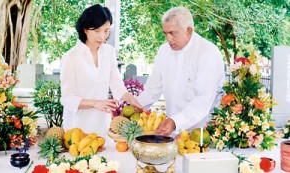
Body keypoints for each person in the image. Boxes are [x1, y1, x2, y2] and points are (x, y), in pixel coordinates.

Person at [137, 7, 225, 136]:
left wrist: (175, 122)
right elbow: (152, 89)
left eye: (173, 33)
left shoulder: (208, 53)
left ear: (188, 31)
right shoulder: (164, 51)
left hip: (203, 133)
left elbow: (203, 99)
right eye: (165, 33)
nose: (168, 38)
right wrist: (133, 106)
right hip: (171, 132)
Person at [60, 4, 142, 134]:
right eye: (97, 31)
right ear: (85, 29)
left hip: (102, 123)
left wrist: (132, 100)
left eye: (106, 31)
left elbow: (116, 84)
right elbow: (67, 98)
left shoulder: (109, 52)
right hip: (77, 126)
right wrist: (95, 103)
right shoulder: (71, 57)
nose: (102, 37)